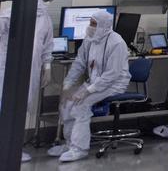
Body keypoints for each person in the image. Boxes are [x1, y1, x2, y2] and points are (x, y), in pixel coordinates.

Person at [51, 9, 128, 163]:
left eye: (94, 24)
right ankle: (70, 143)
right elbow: (79, 63)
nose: (90, 27)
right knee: (67, 103)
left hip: (114, 84)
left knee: (81, 105)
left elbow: (112, 74)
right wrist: (68, 84)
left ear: (104, 25)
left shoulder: (117, 42)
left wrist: (87, 91)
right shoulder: (90, 39)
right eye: (90, 23)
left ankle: (79, 149)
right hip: (95, 82)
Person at [0, 0, 56, 163]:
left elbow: (47, 44)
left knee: (21, 108)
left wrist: (47, 66)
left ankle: (14, 149)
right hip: (5, 69)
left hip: (31, 70)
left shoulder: (45, 19)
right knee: (3, 107)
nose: (47, 4)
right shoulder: (11, 12)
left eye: (49, 0)